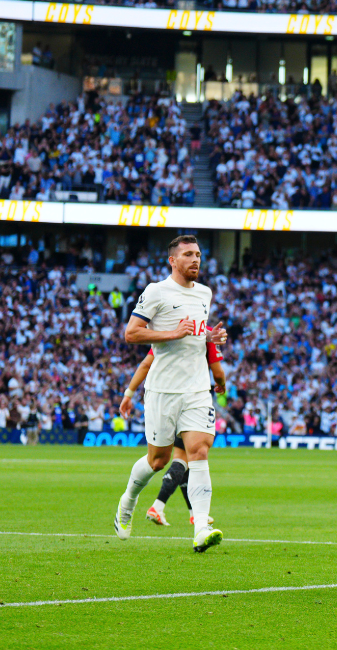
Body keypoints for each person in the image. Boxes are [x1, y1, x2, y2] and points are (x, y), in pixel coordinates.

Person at [115, 235, 227, 553]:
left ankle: (201, 527)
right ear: (172, 261)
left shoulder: (205, 293)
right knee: (158, 460)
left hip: (196, 389)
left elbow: (197, 334)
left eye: (199, 255)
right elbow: (131, 333)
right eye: (189, 255)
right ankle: (129, 501)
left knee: (199, 452)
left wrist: (212, 336)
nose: (196, 260)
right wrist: (172, 332)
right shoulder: (156, 291)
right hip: (163, 390)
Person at [120, 340, 227, 528]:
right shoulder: (204, 333)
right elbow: (218, 372)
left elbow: (146, 363)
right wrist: (221, 384)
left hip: (165, 401)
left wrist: (129, 393)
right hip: (192, 404)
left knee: (181, 461)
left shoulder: (168, 331)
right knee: (185, 459)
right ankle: (160, 507)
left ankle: (193, 515)